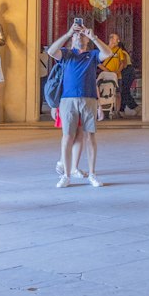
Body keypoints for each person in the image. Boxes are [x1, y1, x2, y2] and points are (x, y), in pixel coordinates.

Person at [48, 19, 112, 188]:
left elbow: (108, 53)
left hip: (89, 99)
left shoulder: (92, 55)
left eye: (81, 34)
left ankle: (92, 174)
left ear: (86, 39)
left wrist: (94, 38)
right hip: (67, 100)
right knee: (67, 137)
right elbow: (51, 51)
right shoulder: (66, 54)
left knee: (89, 136)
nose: (79, 37)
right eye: (76, 35)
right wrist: (69, 33)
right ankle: (66, 175)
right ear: (71, 40)